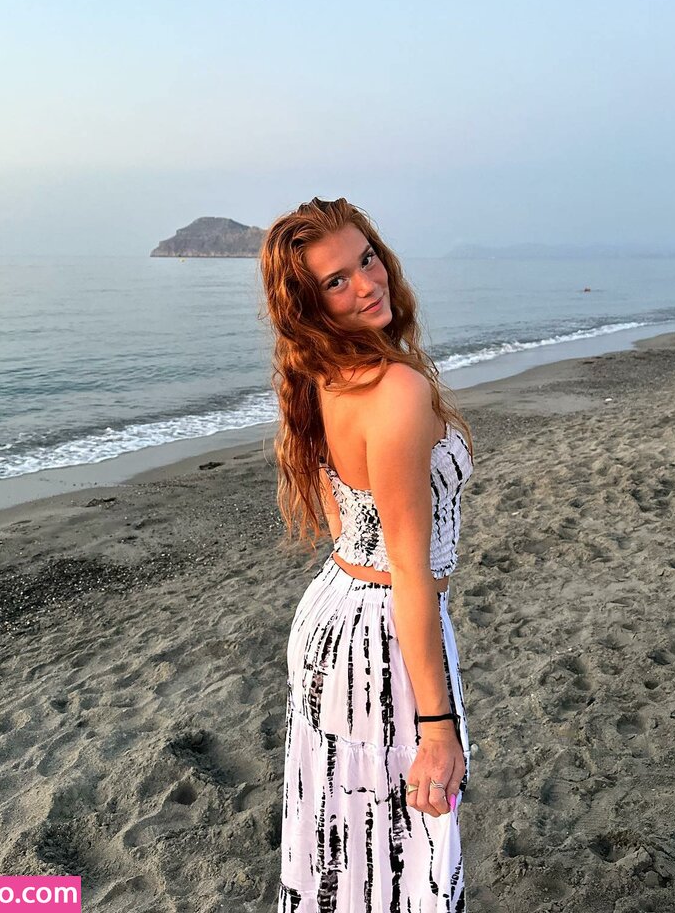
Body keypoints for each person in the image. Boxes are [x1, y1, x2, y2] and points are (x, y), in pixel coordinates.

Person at [259, 196, 475, 912]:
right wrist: (437, 726)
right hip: (382, 632)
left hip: (335, 612)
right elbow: (409, 569)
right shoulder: (397, 389)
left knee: (343, 845)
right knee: (407, 853)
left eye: (367, 259)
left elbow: (342, 515)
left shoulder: (322, 375)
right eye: (336, 281)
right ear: (310, 306)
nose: (367, 283)